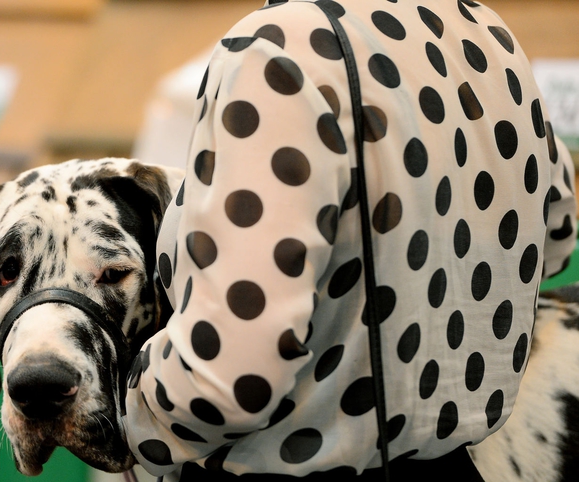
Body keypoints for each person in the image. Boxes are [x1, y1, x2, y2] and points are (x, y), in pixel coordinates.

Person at [123, 1, 577, 480]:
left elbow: (229, 380)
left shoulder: (277, 49)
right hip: (455, 466)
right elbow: (554, 237)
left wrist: (126, 412)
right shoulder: (487, 35)